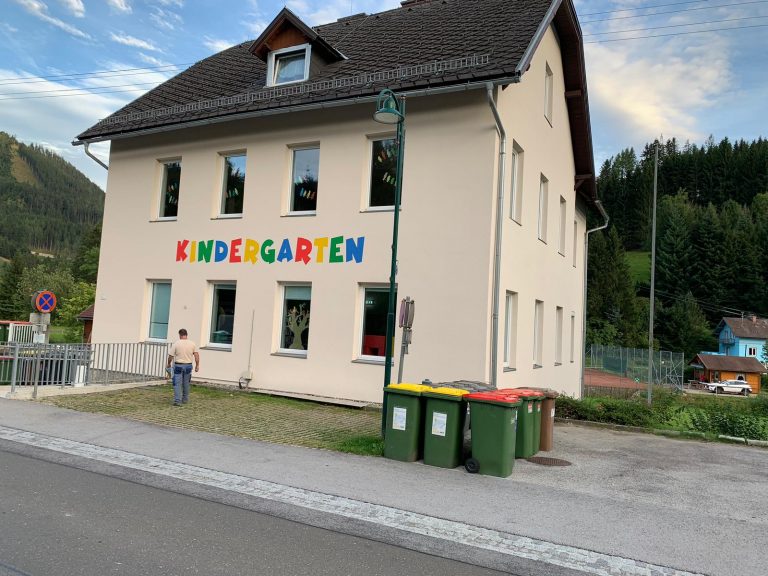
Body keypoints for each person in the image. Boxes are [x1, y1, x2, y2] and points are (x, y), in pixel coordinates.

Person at [166, 328, 199, 406]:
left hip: (178, 366)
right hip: (188, 366)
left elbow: (171, 356)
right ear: (186, 335)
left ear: (180, 335)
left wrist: (168, 364)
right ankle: (185, 399)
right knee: (186, 383)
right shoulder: (192, 344)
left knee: (177, 384)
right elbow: (196, 355)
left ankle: (177, 401)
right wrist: (197, 365)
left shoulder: (176, 344)